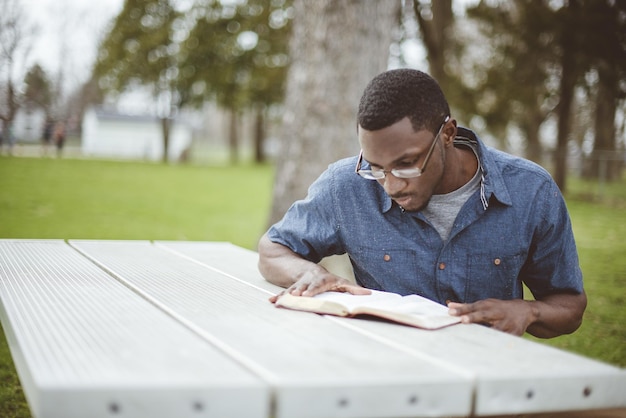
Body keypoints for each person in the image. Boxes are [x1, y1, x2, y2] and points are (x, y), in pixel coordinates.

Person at [258, 69, 586, 338]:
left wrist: (529, 311)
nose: (391, 184)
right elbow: (273, 249)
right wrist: (309, 272)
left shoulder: (532, 190)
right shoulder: (346, 185)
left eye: (406, 163)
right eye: (376, 167)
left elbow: (570, 305)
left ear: (447, 133)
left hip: (489, 383)